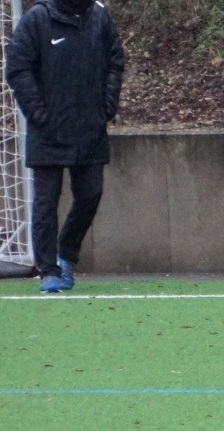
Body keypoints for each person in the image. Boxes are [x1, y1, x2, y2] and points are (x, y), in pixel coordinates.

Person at [4, 0, 124, 293]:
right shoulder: (37, 19)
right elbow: (18, 68)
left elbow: (115, 62)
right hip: (48, 130)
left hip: (90, 128)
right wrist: (38, 113)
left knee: (91, 194)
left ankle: (67, 254)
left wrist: (107, 106)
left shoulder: (99, 17)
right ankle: (48, 270)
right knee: (46, 200)